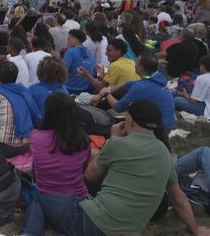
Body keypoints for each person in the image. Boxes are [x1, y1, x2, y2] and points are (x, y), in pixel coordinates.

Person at [79, 100, 210, 236]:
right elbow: (179, 199)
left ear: (129, 121)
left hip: (103, 220)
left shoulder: (118, 144)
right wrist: (195, 229)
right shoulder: (164, 152)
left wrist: (112, 140)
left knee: (91, 160)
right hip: (155, 209)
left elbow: (89, 176)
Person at [20, 93, 91, 236]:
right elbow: (83, 170)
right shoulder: (83, 140)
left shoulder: (36, 137)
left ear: (48, 113)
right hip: (79, 200)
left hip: (47, 198)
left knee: (36, 201)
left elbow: (36, 171)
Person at [95, 52, 176, 132]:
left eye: (136, 62)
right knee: (123, 92)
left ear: (140, 68)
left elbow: (117, 108)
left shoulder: (141, 87)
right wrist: (108, 90)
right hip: (166, 124)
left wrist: (106, 93)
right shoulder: (158, 78)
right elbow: (128, 83)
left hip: (157, 130)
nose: (134, 63)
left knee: (108, 125)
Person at [63, 29, 96, 95]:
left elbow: (62, 72)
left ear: (75, 40)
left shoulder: (71, 52)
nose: (67, 42)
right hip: (86, 91)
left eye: (68, 39)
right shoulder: (90, 53)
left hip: (69, 90)